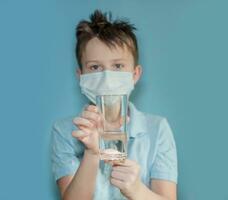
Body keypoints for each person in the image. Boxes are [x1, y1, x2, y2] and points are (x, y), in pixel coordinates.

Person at [51, 9, 178, 200]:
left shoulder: (157, 128)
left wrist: (136, 190)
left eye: (118, 66)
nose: (107, 77)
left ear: (135, 75)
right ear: (81, 76)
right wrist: (92, 153)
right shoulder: (64, 130)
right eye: (95, 67)